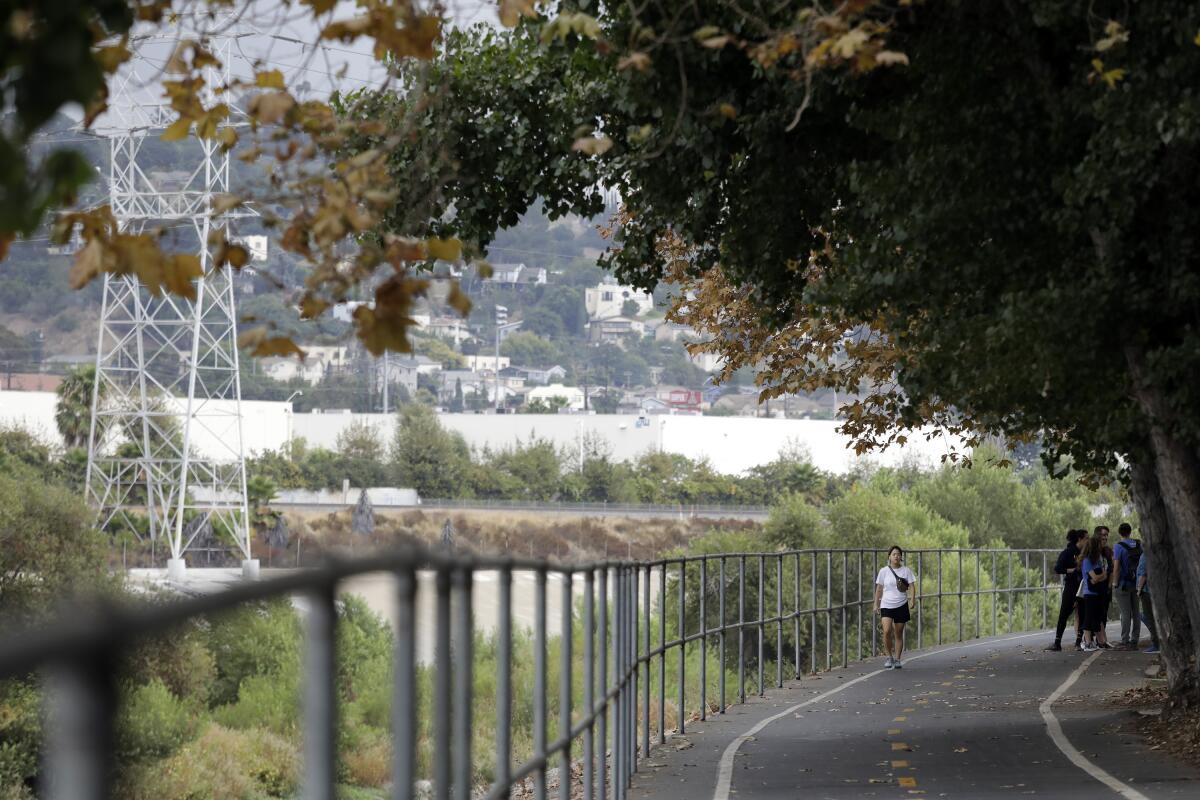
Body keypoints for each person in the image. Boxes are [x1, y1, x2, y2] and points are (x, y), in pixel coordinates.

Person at [874, 545, 917, 669]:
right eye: (894, 554)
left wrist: (912, 600)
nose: (896, 556)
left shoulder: (906, 571)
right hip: (886, 604)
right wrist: (876, 604)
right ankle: (889, 657)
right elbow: (879, 588)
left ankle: (897, 659)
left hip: (901, 604)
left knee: (898, 633)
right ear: (889, 557)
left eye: (898, 554)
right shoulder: (884, 571)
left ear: (901, 557)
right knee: (887, 631)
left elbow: (912, 586)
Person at [1045, 529, 1085, 651]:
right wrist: (1071, 570)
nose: (1088, 541)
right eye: (1086, 538)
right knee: (1064, 614)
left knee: (1082, 613)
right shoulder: (1068, 552)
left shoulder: (1086, 552)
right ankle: (1057, 642)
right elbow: (1057, 568)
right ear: (1079, 539)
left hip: (1083, 586)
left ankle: (1079, 642)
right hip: (1071, 586)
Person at [1112, 522, 1143, 648]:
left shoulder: (1119, 546)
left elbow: (1116, 567)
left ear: (1120, 533)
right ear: (1130, 531)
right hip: (1136, 583)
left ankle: (1125, 640)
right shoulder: (1138, 544)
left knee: (1125, 613)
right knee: (1136, 612)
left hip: (1124, 583)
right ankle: (1135, 640)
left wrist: (1114, 582)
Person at [1079, 529, 1110, 652]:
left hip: (1098, 592)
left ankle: (1101, 641)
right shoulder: (1087, 561)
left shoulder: (1097, 561)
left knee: (1097, 617)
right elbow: (1095, 577)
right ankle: (1087, 642)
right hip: (1090, 593)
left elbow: (1104, 575)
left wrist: (1100, 576)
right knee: (1088, 617)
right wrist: (1100, 576)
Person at [1136, 543, 1160, 654]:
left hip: (1146, 590)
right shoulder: (1154, 555)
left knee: (1148, 616)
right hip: (1153, 590)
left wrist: (1139, 589)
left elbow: (1143, 574)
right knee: (1149, 616)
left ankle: (1156, 644)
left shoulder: (1145, 556)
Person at [1096, 526, 1114, 648]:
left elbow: (1111, 570)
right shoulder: (1093, 551)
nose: (1105, 537)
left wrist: (1109, 586)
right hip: (1095, 586)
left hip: (1105, 587)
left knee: (1103, 613)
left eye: (1107, 535)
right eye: (1103, 535)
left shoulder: (1108, 551)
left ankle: (1102, 640)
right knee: (1096, 614)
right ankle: (1098, 639)